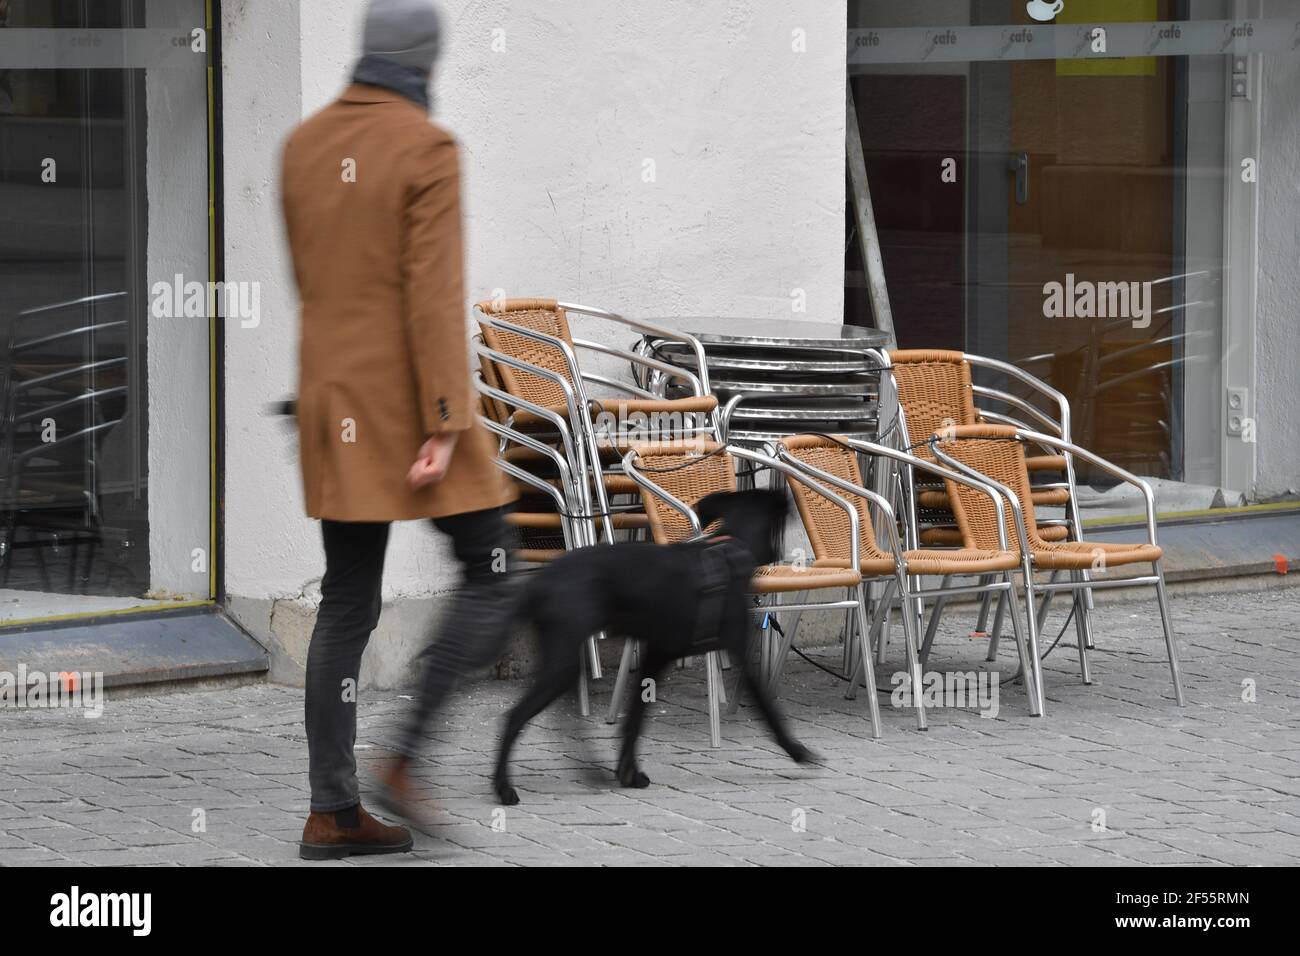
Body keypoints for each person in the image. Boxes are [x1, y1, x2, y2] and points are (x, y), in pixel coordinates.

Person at [280, 0, 517, 861]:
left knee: (346, 603)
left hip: (333, 405)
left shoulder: (304, 146)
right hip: (411, 407)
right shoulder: (425, 146)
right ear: (423, 63)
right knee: (494, 569)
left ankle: (331, 812)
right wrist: (448, 421)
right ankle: (406, 763)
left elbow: (319, 281)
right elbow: (429, 291)